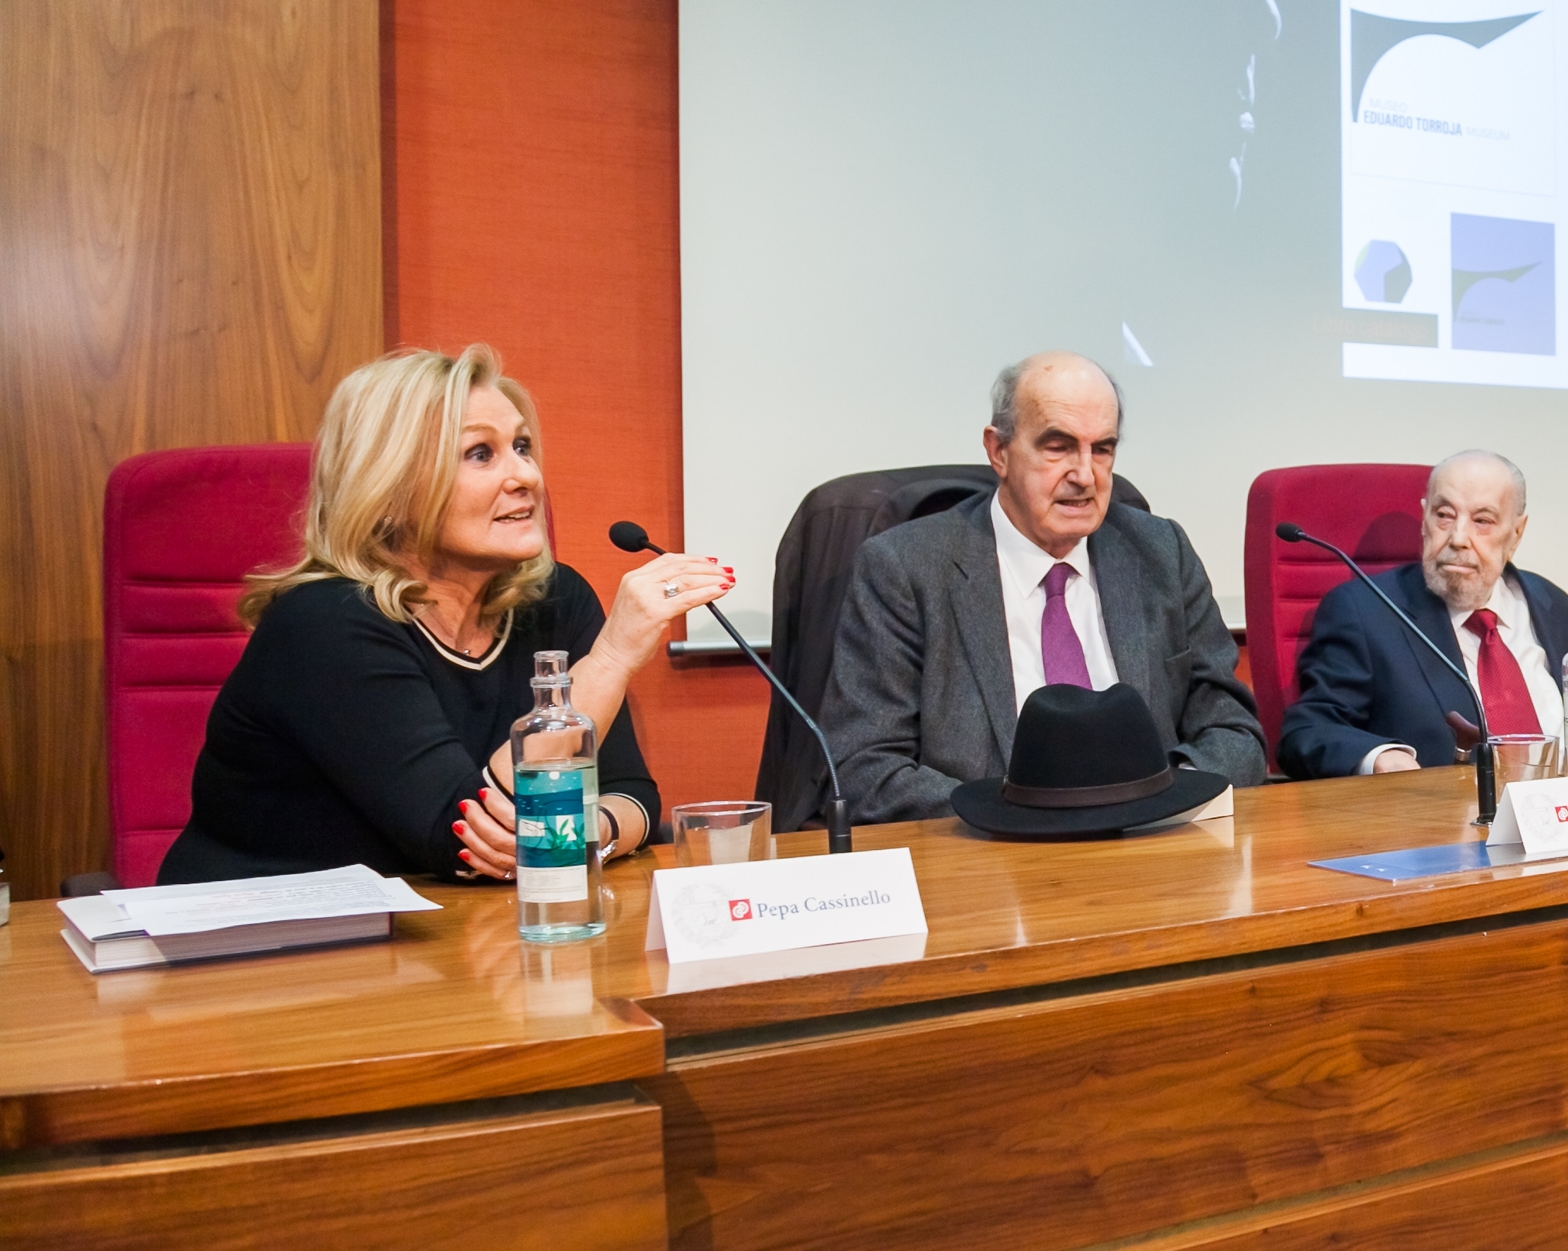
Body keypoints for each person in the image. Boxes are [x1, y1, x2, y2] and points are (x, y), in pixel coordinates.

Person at [163, 345, 709, 884]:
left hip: (450, 936)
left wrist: (570, 836)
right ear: (392, 488)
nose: (526, 476)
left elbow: (630, 795)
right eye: (480, 454)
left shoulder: (555, 600)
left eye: (521, 446)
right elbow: (460, 839)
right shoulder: (324, 623)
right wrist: (610, 660)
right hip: (268, 946)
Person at [820, 350, 1265, 820]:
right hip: (990, 857)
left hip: (1149, 845)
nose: (1085, 474)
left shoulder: (1161, 552)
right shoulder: (906, 569)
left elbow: (1234, 732)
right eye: (1059, 447)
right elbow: (865, 769)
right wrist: (1024, 812)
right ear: (999, 451)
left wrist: (1163, 793)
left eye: (1103, 449)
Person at [1276, 451, 1568, 778]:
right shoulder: (1367, 610)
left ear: (1517, 533)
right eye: (1444, 515)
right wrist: (1381, 757)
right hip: (1446, 828)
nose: (1459, 537)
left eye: (1483, 520)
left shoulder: (1553, 604)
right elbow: (1309, 730)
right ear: (1424, 518)